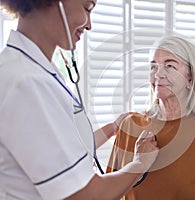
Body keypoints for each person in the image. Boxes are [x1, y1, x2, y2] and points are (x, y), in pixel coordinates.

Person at [0, 0, 159, 199]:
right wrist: (139, 164)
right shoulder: (26, 82)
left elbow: (60, 151)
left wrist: (111, 129)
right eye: (87, 8)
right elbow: (86, 195)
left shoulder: (30, 70)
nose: (89, 24)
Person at [106, 35, 195, 200]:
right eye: (153, 66)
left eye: (170, 66)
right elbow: (108, 193)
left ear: (190, 78)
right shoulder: (129, 125)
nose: (158, 74)